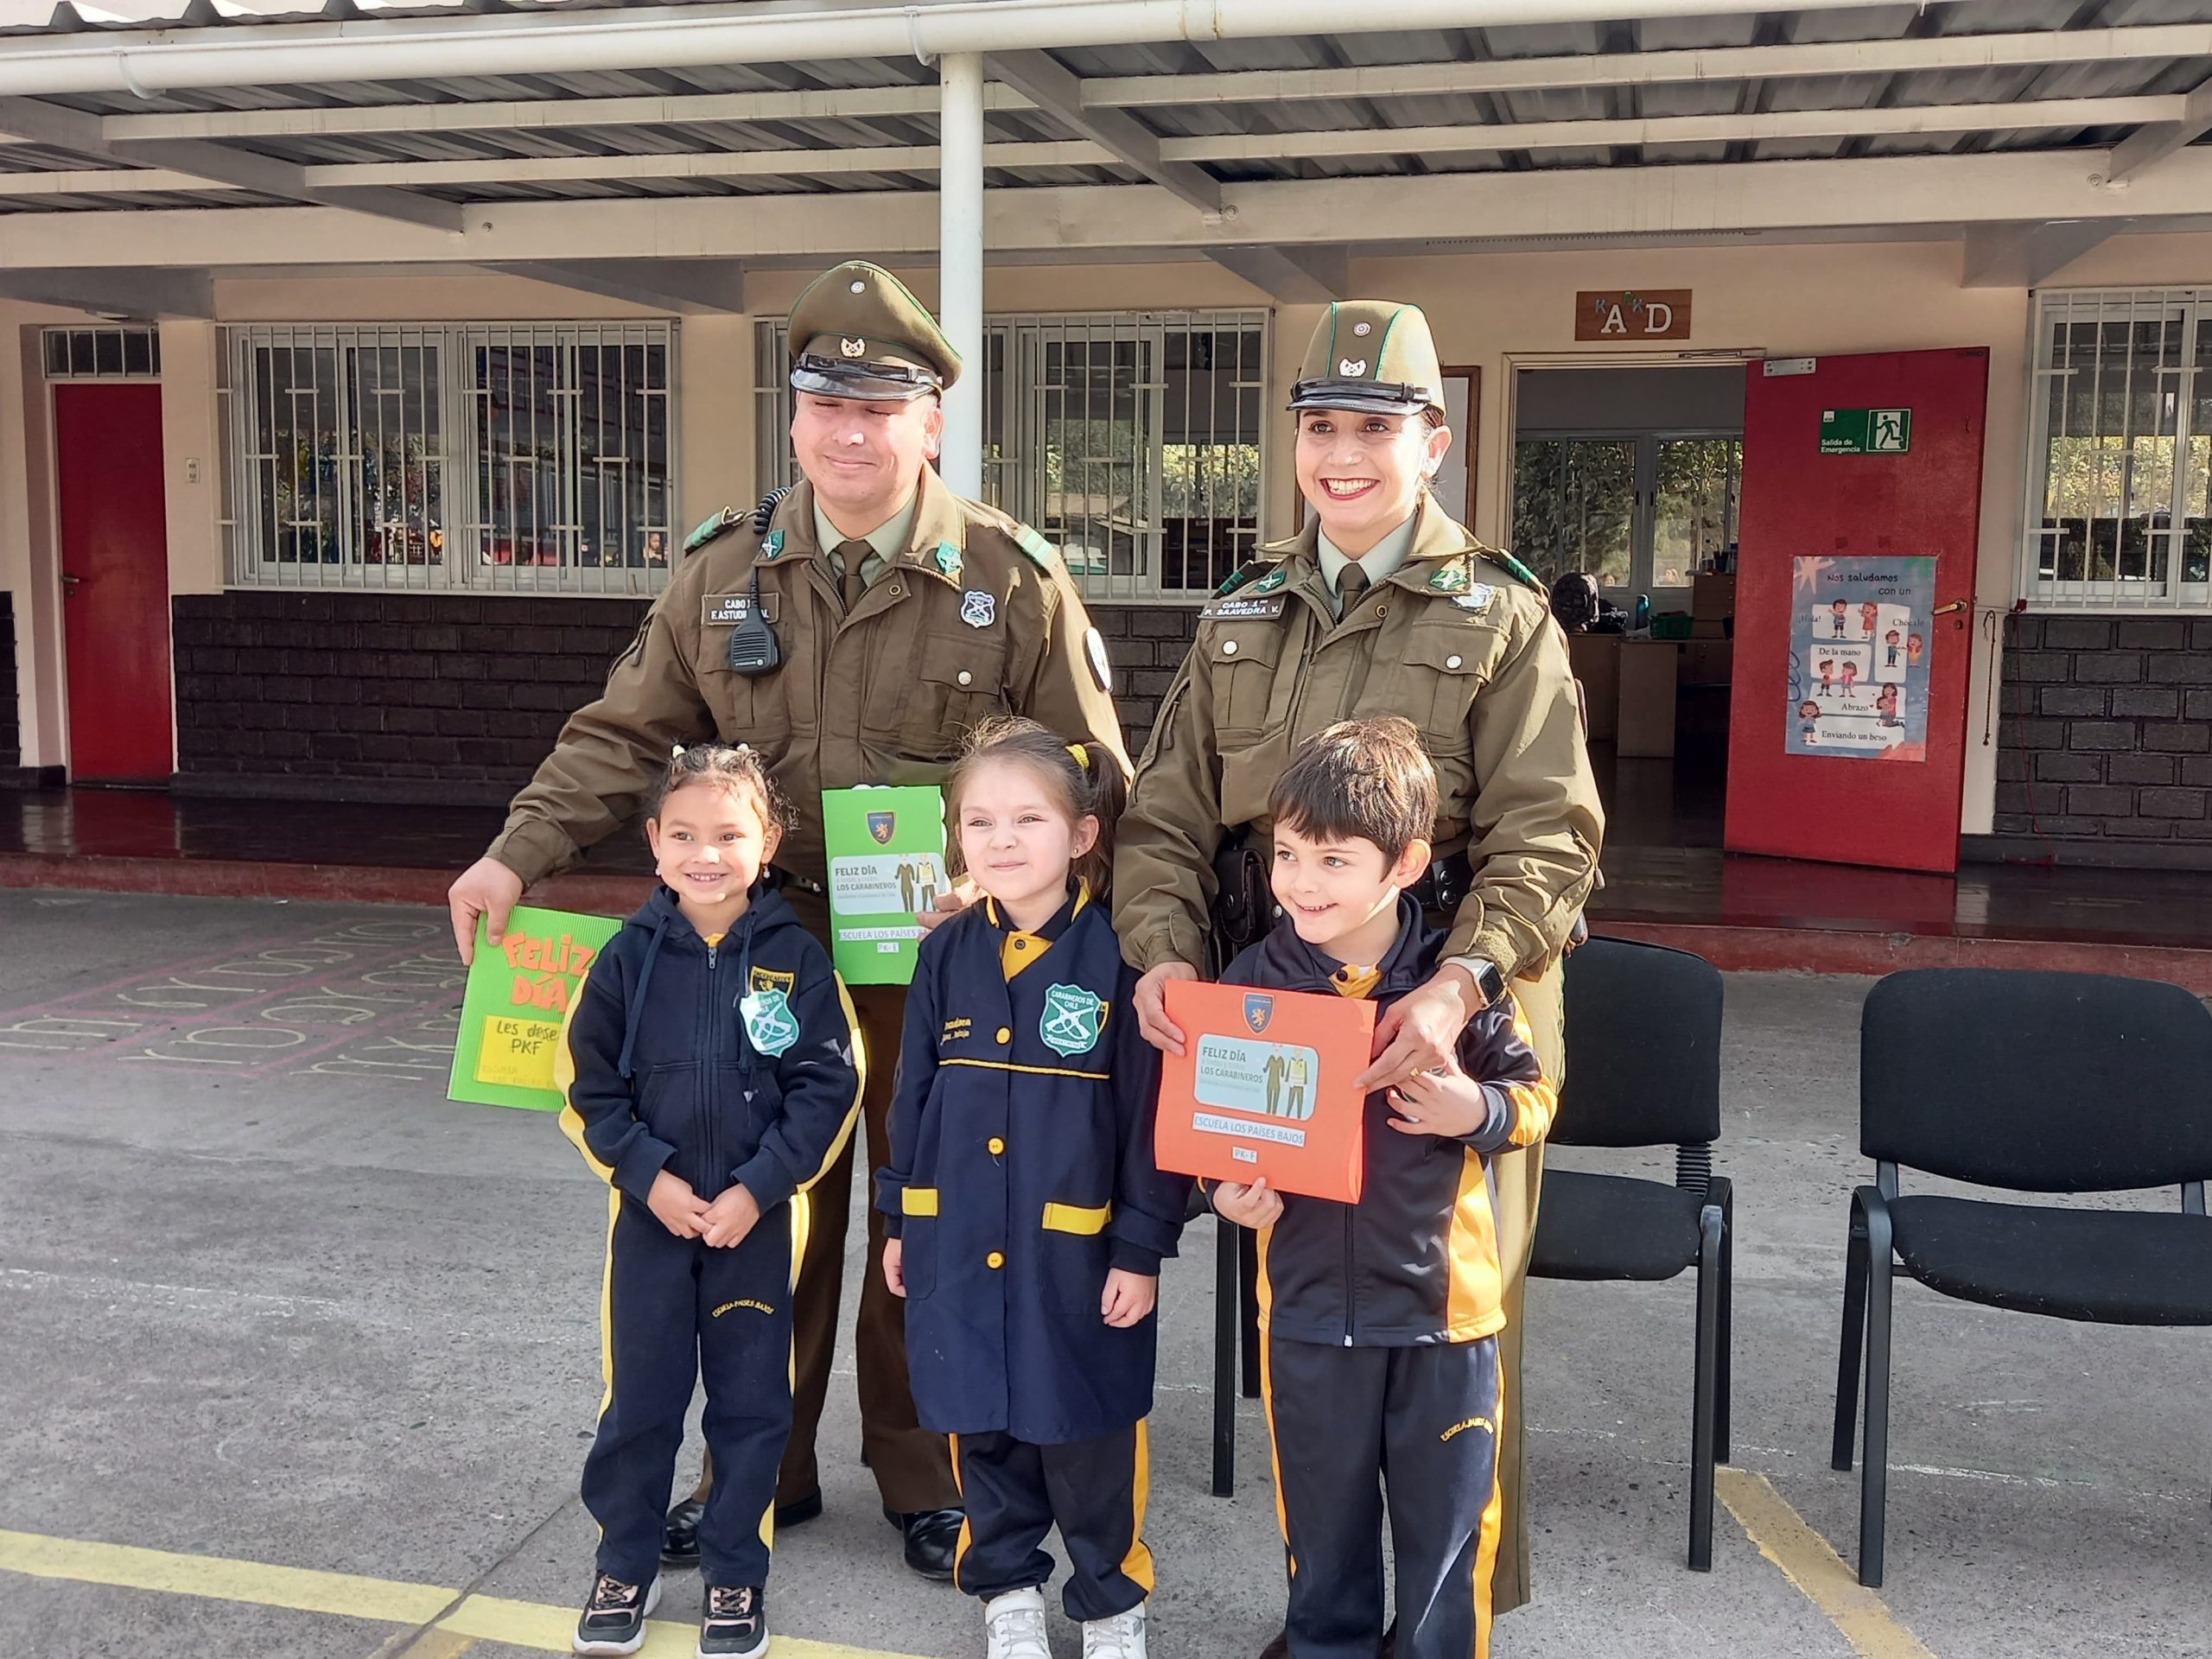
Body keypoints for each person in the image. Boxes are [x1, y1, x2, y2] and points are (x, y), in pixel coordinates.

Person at [447, 259, 1129, 1580]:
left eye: (880, 408)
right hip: (762, 958)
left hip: (945, 960)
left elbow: (1092, 771)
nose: (849, 433)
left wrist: (1020, 886)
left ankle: (930, 1476)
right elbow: (621, 735)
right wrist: (512, 857)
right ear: (797, 416)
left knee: (930, 1211)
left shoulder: (1013, 577)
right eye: (826, 405)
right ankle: (763, 1472)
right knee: (769, 1210)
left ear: (931, 422)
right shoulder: (724, 571)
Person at [1113, 298, 1601, 1625]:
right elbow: (1164, 817)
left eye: (1372, 429)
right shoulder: (1242, 612)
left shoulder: (1501, 614)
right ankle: (1324, 1609)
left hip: (1457, 1001)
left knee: (1456, 1307)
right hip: (1283, 1001)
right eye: (1320, 426)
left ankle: (1456, 1611)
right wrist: (1163, 958)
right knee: (1307, 1299)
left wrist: (1460, 984)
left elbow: (1551, 835)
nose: (1342, 456)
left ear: (1431, 443)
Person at [1208, 717, 1556, 1659]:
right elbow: (1218, 1132)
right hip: (1308, 1312)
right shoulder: (1250, 983)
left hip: (1445, 1318)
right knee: (1321, 1533)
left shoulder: (1454, 990)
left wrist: (1471, 1110)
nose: (1301, 882)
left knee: (1446, 1539)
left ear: (1404, 864)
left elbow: (1532, 1102)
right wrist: (1224, 1192)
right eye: (1287, 855)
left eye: (1333, 860)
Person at [878, 718, 1184, 1659]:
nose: (1000, 841)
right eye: (978, 822)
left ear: (1082, 834)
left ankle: (1111, 1599)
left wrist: (1140, 1247)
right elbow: (912, 1096)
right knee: (980, 1422)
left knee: (1089, 1429)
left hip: (1076, 1255)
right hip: (957, 1236)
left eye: (1027, 820)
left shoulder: (1122, 961)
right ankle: (1006, 1588)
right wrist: (899, 1217)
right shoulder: (944, 954)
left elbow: (1149, 1123)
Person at [555, 744, 862, 1658]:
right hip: (651, 1224)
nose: (706, 855)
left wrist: (759, 1188)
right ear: (654, 842)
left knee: (750, 1407)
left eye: (729, 835)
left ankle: (736, 1571)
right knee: (640, 1401)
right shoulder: (623, 960)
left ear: (767, 843)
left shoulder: (798, 960)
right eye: (684, 835)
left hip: (753, 1229)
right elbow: (586, 1086)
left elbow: (829, 1086)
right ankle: (625, 1560)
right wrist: (647, 1175)